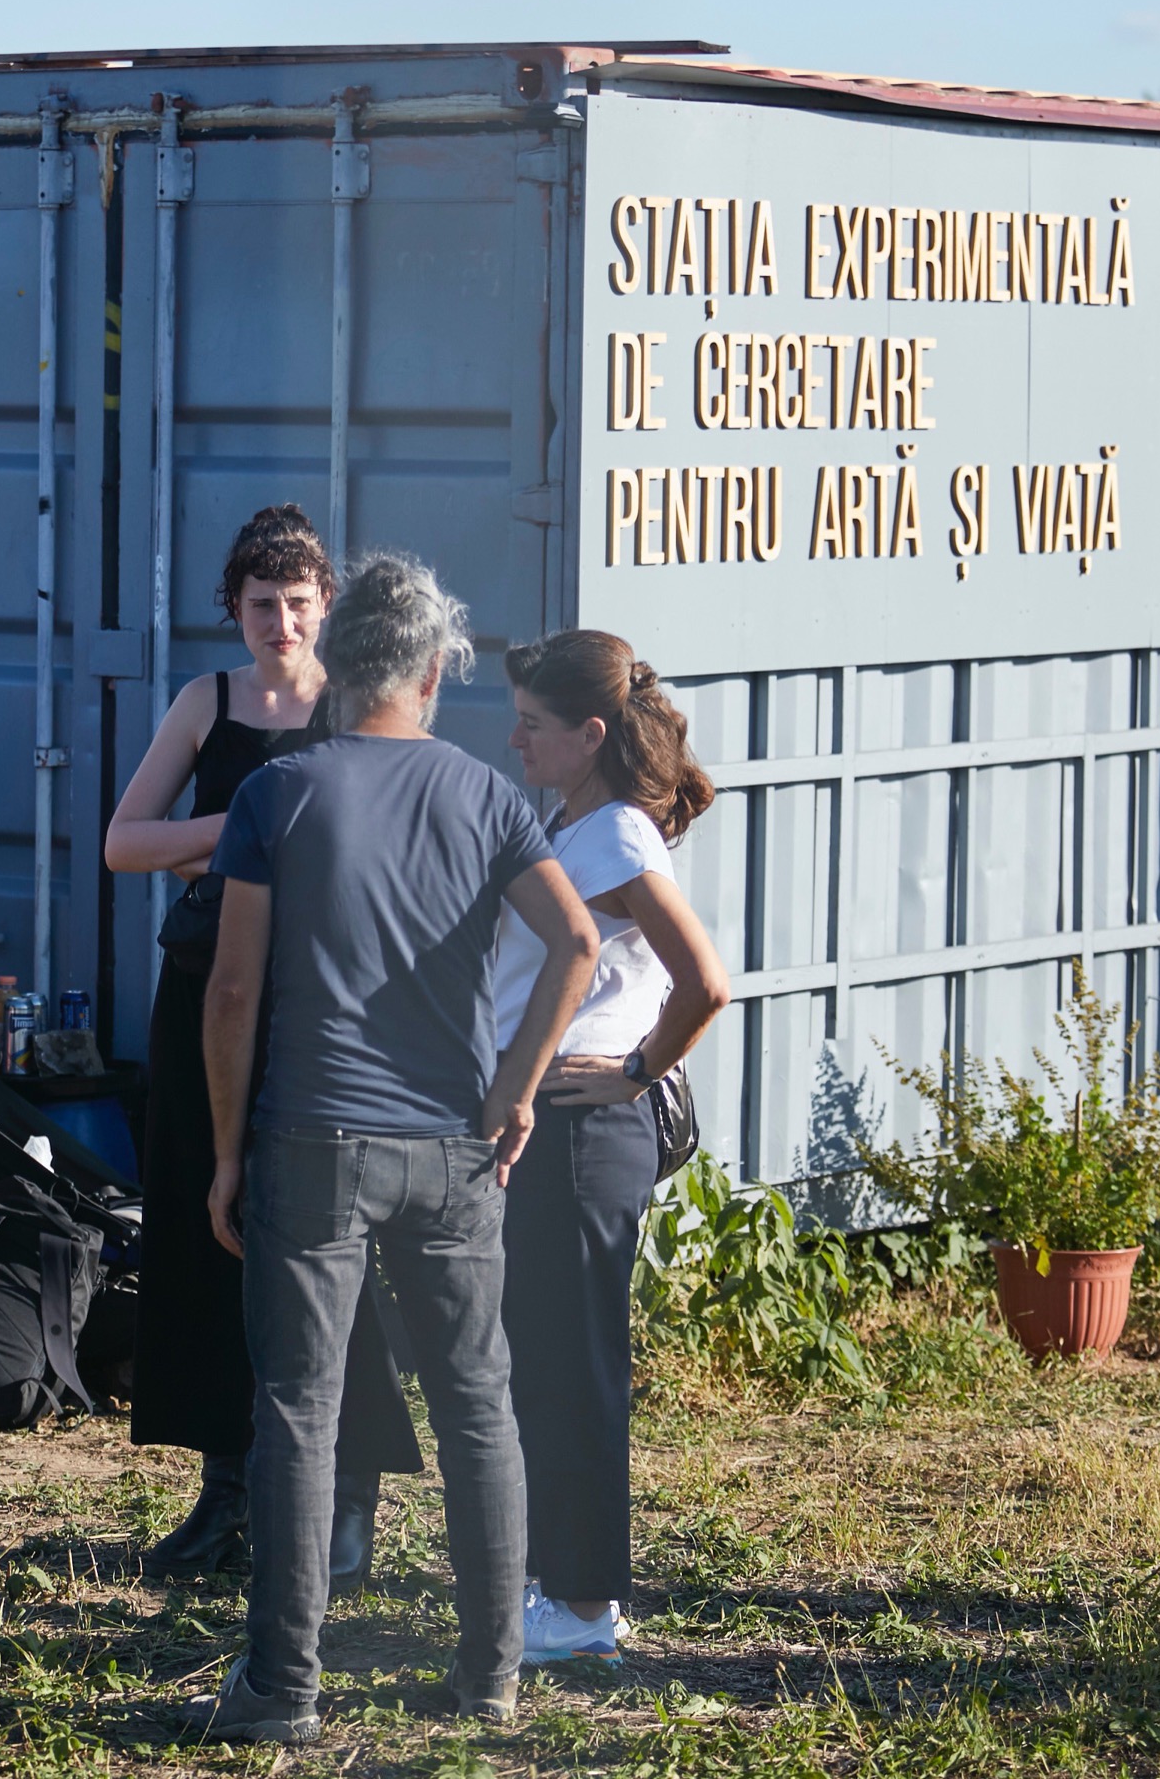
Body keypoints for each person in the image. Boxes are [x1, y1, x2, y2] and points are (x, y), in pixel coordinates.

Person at [192, 553, 600, 1744]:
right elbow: (577, 943)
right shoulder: (489, 796)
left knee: (298, 1409)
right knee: (477, 1402)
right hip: (451, 1143)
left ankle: (284, 1686)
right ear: (431, 674)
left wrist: (226, 1152)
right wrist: (515, 1091)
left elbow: (233, 988)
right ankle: (491, 1675)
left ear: (334, 666)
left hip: (312, 1136)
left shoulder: (280, 791)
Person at [104, 503, 422, 1584]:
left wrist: (238, 838)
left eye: (296, 603)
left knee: (331, 1242)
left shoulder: (354, 702)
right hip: (205, 989)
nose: (279, 624)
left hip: (320, 996)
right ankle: (226, 1491)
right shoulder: (207, 701)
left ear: (327, 605)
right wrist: (244, 829)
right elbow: (125, 842)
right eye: (259, 605)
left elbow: (383, 836)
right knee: (204, 1236)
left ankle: (349, 1496)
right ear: (231, 609)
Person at [496, 631, 730, 1663]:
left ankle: (585, 1606)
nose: (515, 740)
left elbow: (706, 983)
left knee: (575, 1365)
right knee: (541, 1359)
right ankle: (555, 1582)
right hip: (554, 1126)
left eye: (532, 725)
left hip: (587, 1131)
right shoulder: (575, 820)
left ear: (590, 733)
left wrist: (638, 1068)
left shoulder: (621, 836)